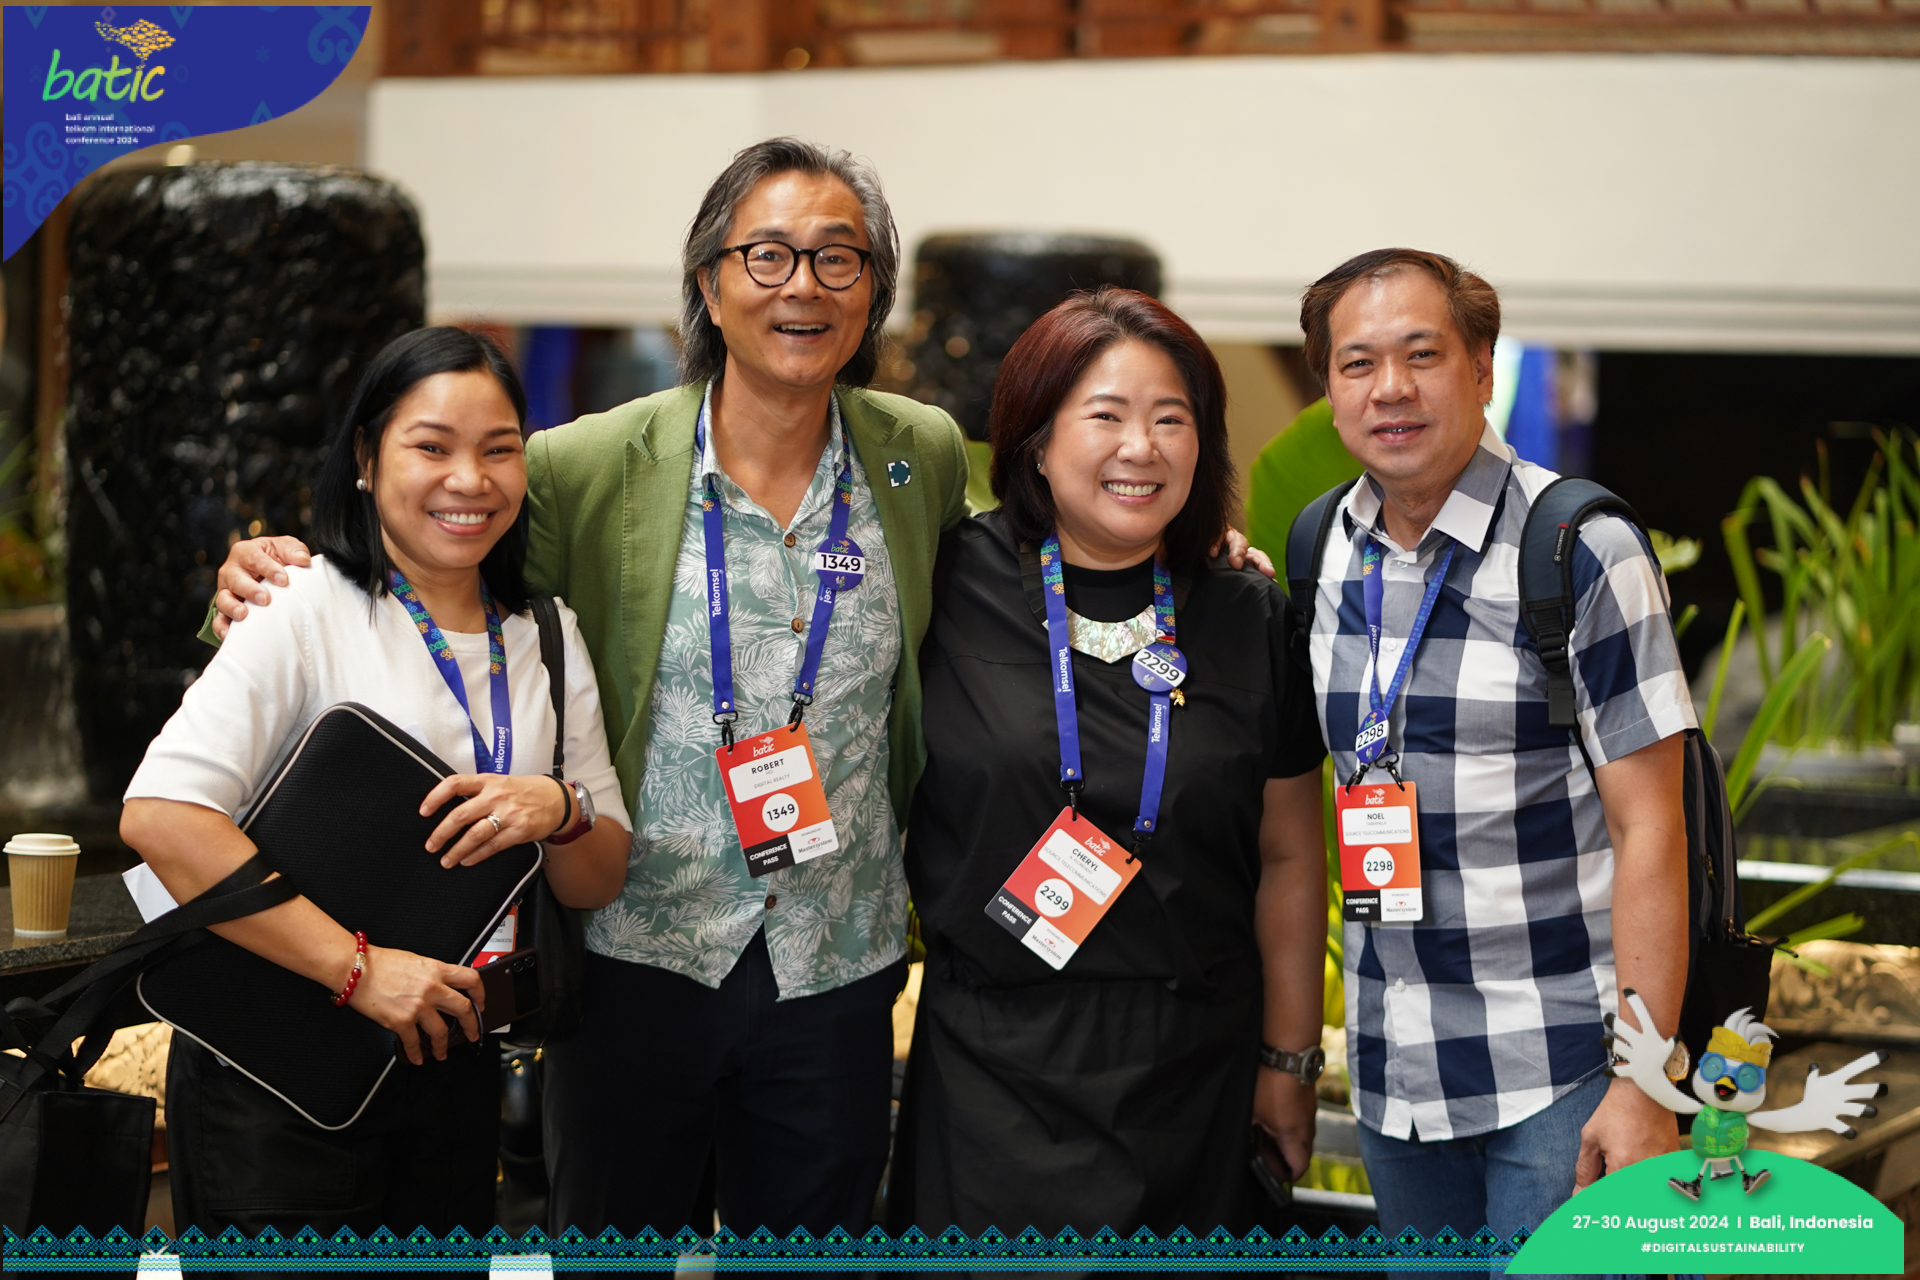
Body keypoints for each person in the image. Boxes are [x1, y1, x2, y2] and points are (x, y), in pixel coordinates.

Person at [207, 138, 1270, 1237]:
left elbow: (1053, 530)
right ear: (710, 286)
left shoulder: (917, 457)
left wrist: (1192, 553)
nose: (803, 285)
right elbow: (435, 547)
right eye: (767, 255)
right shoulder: (590, 464)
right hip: (635, 959)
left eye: (838, 258)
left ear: (873, 297)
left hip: (838, 968)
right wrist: (269, 575)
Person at [121, 326, 631, 1236]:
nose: (469, 479)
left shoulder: (545, 637)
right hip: (276, 1068)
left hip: (450, 1063)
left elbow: (597, 879)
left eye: (499, 450)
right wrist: (359, 972)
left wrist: (561, 808)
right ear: (366, 459)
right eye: (431, 447)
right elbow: (161, 817)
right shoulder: (302, 605)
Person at [889, 287, 1329, 1236]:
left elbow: (1291, 854)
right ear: (1037, 442)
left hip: (1192, 1071)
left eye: (1172, 419)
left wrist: (1289, 1063)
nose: (1142, 447)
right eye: (1106, 416)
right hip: (989, 1068)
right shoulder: (945, 583)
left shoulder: (1248, 614)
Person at [1290, 248, 1693, 1244]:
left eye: (1421, 354)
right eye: (1357, 363)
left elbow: (1652, 829)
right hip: (1395, 1072)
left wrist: (1645, 1083)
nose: (1390, 387)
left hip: (1561, 1071)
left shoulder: (1579, 548)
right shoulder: (1318, 549)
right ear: (1329, 390)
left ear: (1480, 366)